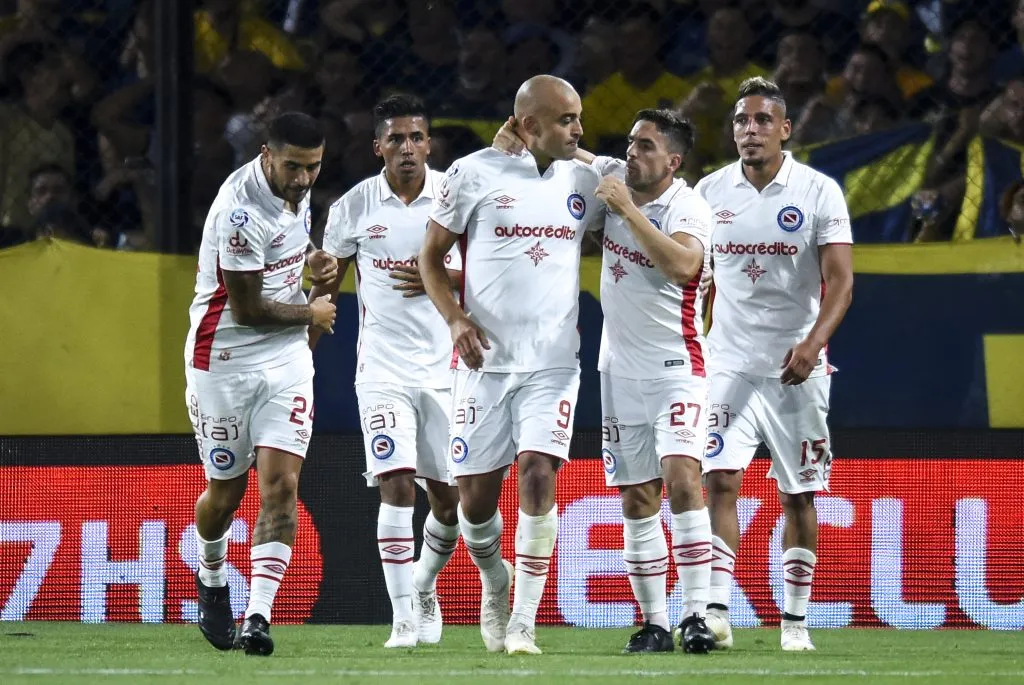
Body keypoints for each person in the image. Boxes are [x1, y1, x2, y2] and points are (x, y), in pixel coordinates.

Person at [492, 108, 718, 654]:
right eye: (632, 143)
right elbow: (568, 153)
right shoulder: (617, 174)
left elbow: (684, 266)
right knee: (637, 497)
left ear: (674, 160)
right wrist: (514, 140)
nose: (633, 153)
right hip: (618, 371)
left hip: (676, 368)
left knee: (682, 476)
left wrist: (625, 210)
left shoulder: (687, 205)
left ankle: (696, 616)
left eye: (646, 147)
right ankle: (655, 622)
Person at [418, 75, 602, 655]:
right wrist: (455, 319)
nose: (579, 129)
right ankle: (494, 580)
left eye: (578, 117)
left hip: (553, 361)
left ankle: (522, 619)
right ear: (528, 124)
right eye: (567, 119)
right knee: (473, 501)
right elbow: (428, 257)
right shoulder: (472, 173)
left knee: (539, 473)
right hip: (483, 362)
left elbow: (648, 181)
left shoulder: (586, 178)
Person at [694, 77, 854, 652]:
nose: (751, 130)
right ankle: (715, 612)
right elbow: (692, 271)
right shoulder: (708, 192)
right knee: (719, 481)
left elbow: (841, 283)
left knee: (799, 495)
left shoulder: (817, 192)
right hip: (728, 363)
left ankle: (794, 621)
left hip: (797, 369)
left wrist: (812, 345)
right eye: (742, 121)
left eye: (763, 120)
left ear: (785, 129)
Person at [308, 94, 464, 648]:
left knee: (451, 502)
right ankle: (402, 618)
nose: (406, 148)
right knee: (396, 485)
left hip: (448, 371)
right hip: (382, 371)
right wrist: (301, 349)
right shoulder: (353, 207)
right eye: (394, 138)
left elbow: (489, 276)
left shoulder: (455, 195)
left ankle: (424, 584)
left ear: (429, 144)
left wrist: (438, 280)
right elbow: (326, 287)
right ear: (378, 147)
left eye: (416, 137)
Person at [185, 111, 338, 656]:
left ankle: (258, 617)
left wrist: (312, 260)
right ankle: (211, 576)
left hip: (286, 361)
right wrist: (311, 313)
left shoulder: (297, 191)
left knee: (281, 487)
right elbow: (247, 309)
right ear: (266, 155)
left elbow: (288, 252)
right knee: (226, 494)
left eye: (313, 167)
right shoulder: (239, 212)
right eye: (293, 166)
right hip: (223, 359)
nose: (302, 178)